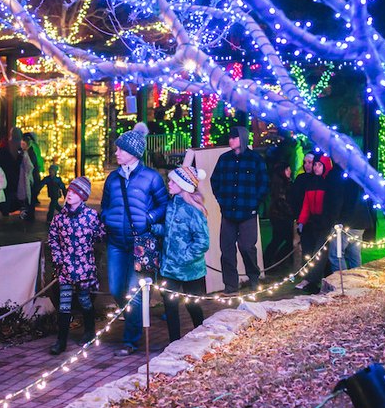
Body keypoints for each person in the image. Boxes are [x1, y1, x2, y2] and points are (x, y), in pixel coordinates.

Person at [100, 122, 168, 356]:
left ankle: (130, 340)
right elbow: (105, 206)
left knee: (133, 292)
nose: (116, 152)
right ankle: (134, 319)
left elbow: (164, 205)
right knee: (117, 289)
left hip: (140, 244)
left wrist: (149, 218)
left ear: (133, 153)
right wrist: (107, 219)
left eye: (120, 149)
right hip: (116, 242)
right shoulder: (112, 179)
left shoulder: (152, 178)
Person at [48, 176, 105, 355]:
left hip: (84, 268)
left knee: (84, 300)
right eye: (69, 191)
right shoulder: (59, 219)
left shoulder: (91, 216)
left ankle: (89, 331)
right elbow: (53, 239)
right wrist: (58, 259)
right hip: (65, 268)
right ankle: (61, 340)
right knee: (64, 304)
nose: (69, 194)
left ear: (83, 196)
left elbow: (101, 236)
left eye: (74, 192)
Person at [152, 166, 209, 343]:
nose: (168, 184)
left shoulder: (193, 211)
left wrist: (184, 257)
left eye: (173, 181)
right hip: (169, 269)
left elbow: (202, 241)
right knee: (170, 307)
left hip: (191, 271)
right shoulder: (171, 205)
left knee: (193, 306)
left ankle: (202, 338)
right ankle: (173, 342)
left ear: (183, 184)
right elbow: (170, 231)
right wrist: (154, 228)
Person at [210, 126, 269, 294]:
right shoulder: (224, 159)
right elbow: (215, 181)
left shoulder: (255, 159)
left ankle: (254, 278)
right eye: (230, 137)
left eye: (234, 138)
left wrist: (254, 204)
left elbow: (263, 184)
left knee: (247, 247)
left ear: (242, 138)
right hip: (228, 212)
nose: (230, 140)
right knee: (226, 249)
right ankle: (230, 285)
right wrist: (222, 201)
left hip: (247, 212)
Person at [295, 154, 333, 292]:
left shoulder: (329, 183)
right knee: (313, 253)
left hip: (325, 223)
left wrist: (329, 221)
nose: (316, 167)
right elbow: (306, 205)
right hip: (314, 222)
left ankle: (314, 280)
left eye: (319, 165)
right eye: (315, 165)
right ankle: (313, 280)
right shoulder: (311, 182)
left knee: (319, 253)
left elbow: (331, 206)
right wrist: (302, 221)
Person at [326, 169, 373, 272]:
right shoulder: (357, 172)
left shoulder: (338, 174)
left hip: (343, 223)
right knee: (354, 255)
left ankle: (342, 284)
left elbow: (337, 199)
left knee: (337, 255)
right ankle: (356, 284)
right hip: (360, 221)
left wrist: (334, 220)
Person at [263, 162, 294, 271]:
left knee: (277, 240)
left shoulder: (282, 183)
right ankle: (277, 260)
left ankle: (270, 260)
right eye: (287, 169)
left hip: (279, 217)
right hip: (282, 218)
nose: (290, 171)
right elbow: (282, 202)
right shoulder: (281, 185)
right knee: (288, 240)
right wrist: (292, 213)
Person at [0, 127, 23, 214]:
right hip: (12, 182)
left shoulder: (4, 150)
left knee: (6, 203)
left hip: (8, 182)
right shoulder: (21, 152)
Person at [22, 132, 43, 205]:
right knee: (35, 184)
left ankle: (32, 199)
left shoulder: (31, 148)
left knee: (33, 184)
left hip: (33, 168)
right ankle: (33, 199)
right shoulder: (34, 146)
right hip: (35, 168)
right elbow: (38, 157)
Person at [17, 141, 35, 221]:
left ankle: (25, 216)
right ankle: (25, 215)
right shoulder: (25, 153)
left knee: (25, 199)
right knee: (24, 199)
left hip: (24, 179)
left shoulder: (26, 154)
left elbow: (29, 166)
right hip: (24, 179)